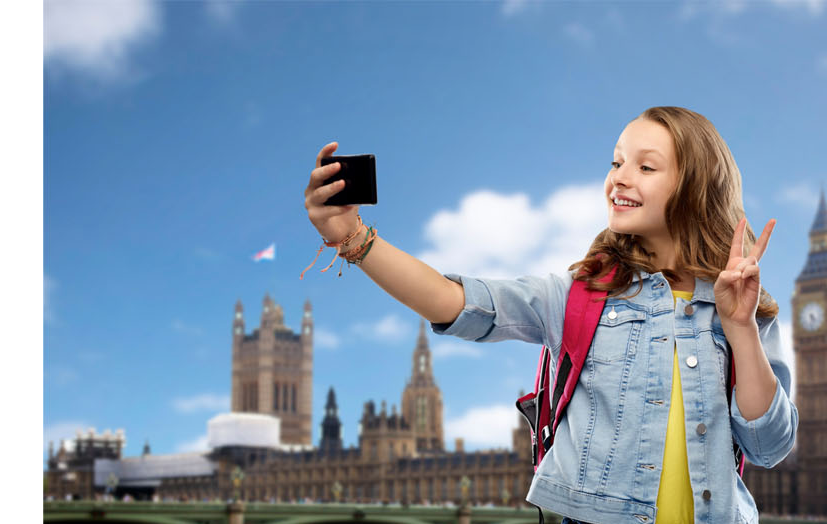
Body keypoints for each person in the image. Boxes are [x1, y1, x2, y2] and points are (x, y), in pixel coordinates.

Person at [301, 106, 797, 524]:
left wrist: (739, 328)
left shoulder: (742, 306)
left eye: (646, 168)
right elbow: (456, 301)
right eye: (616, 162)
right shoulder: (580, 295)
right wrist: (355, 239)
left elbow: (768, 445)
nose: (619, 177)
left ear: (695, 187)